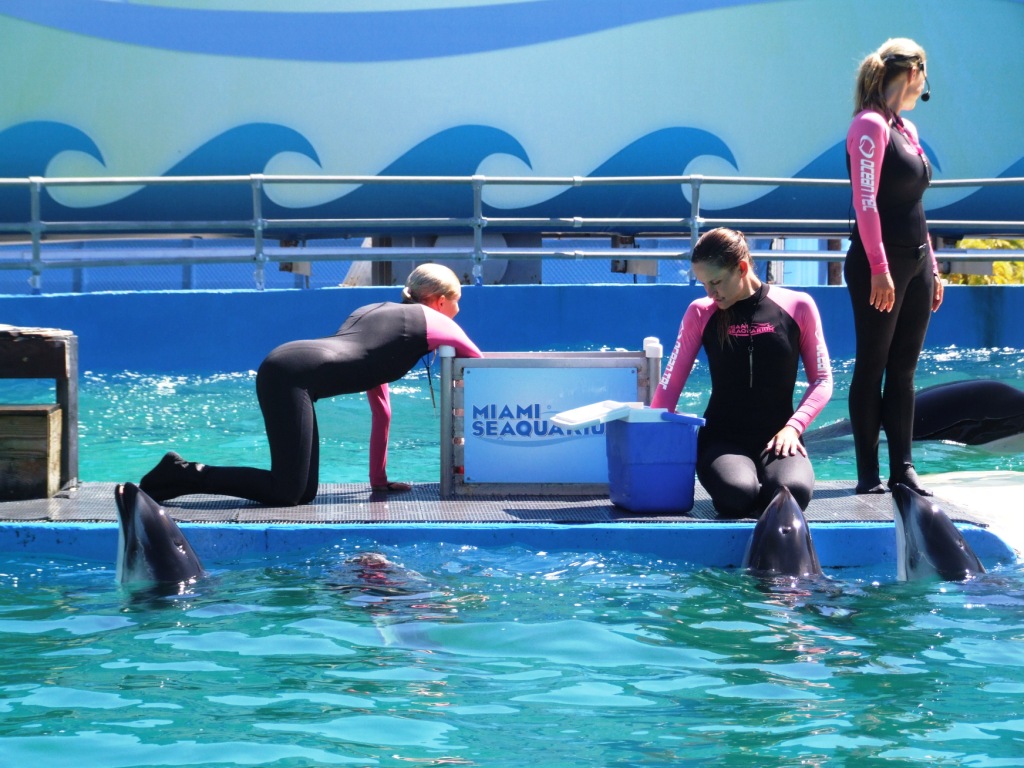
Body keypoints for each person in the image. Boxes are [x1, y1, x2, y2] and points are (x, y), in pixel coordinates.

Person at [139, 264, 482, 506]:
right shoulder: (435, 321)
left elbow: (382, 411)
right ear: (439, 300)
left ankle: (177, 477)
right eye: (457, 302)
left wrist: (379, 482)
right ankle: (182, 473)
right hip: (290, 376)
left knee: (302, 492)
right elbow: (482, 367)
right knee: (285, 492)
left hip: (290, 369)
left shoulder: (379, 314)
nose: (458, 310)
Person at [652, 228, 833, 518]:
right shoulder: (701, 312)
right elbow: (671, 383)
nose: (710, 293)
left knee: (790, 495)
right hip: (722, 441)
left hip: (779, 438)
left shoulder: (798, 306)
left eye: (716, 282)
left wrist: (793, 427)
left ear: (742, 268)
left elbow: (822, 381)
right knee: (736, 496)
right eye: (703, 284)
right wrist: (650, 441)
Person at [845, 38, 944, 496]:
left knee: (904, 369)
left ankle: (902, 468)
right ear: (912, 73)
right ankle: (868, 475)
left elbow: (914, 204)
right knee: (873, 364)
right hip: (878, 266)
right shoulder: (869, 125)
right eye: (925, 76)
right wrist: (880, 266)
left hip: (916, 263)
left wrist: (934, 266)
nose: (926, 84)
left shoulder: (906, 129)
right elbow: (865, 202)